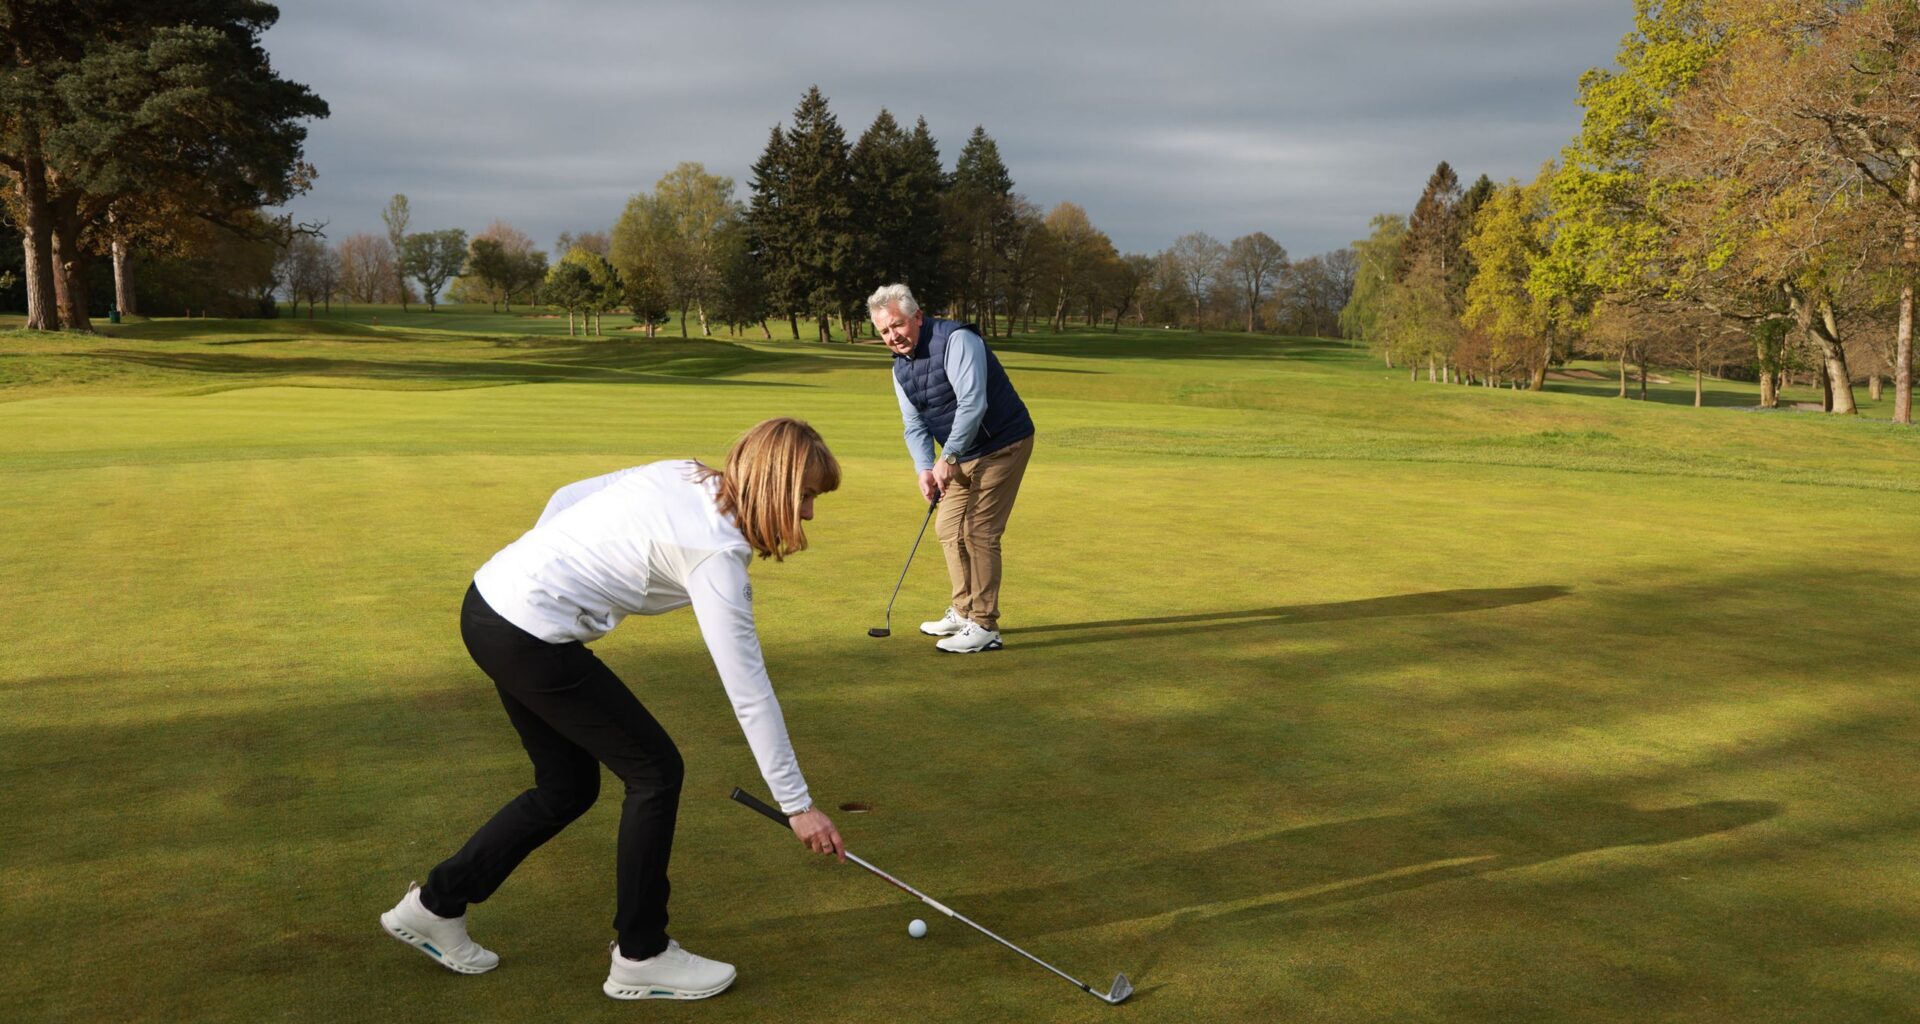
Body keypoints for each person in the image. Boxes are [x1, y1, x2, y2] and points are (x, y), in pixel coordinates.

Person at [380, 418, 846, 1001]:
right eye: (805, 496)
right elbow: (748, 689)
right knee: (656, 771)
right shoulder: (716, 555)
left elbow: (567, 497)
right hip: (526, 634)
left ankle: (436, 905)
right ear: (775, 485)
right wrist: (797, 805)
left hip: (489, 603)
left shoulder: (682, 471)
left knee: (567, 787)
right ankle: (641, 954)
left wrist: (543, 566)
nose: (808, 514)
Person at [868, 283, 1036, 654]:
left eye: (898, 325)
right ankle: (963, 611)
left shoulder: (957, 340)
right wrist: (925, 468)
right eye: (884, 331)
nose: (893, 336)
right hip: (963, 452)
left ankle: (985, 625)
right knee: (947, 526)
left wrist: (949, 457)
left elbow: (973, 403)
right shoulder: (901, 368)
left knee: (979, 531)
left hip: (1003, 443)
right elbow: (914, 425)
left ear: (917, 317)